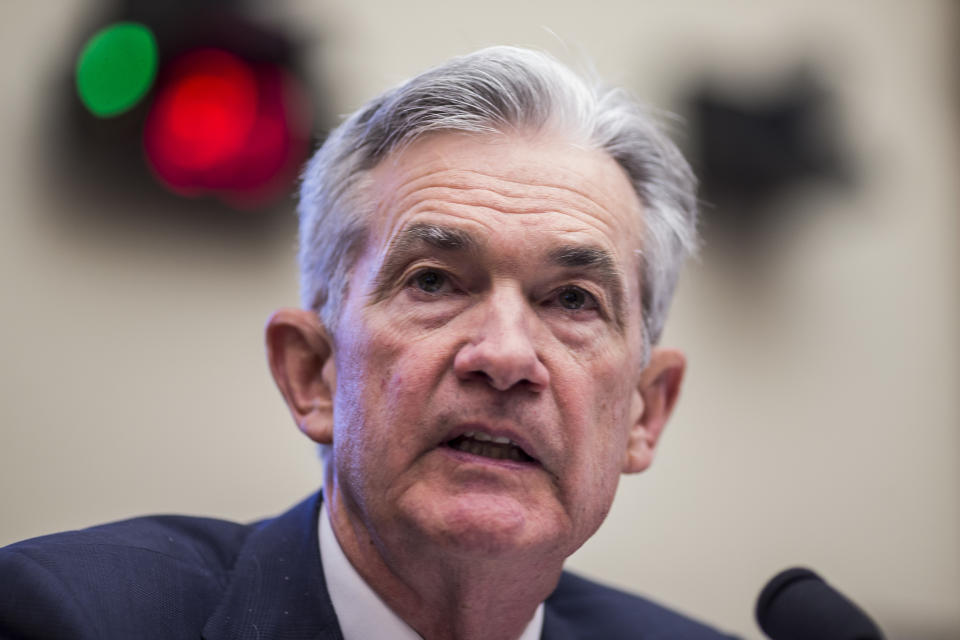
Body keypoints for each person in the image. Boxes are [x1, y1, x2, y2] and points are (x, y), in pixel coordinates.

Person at [0, 46, 737, 639]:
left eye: (573, 300)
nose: (506, 357)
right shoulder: (67, 618)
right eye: (435, 283)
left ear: (646, 413)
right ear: (312, 373)